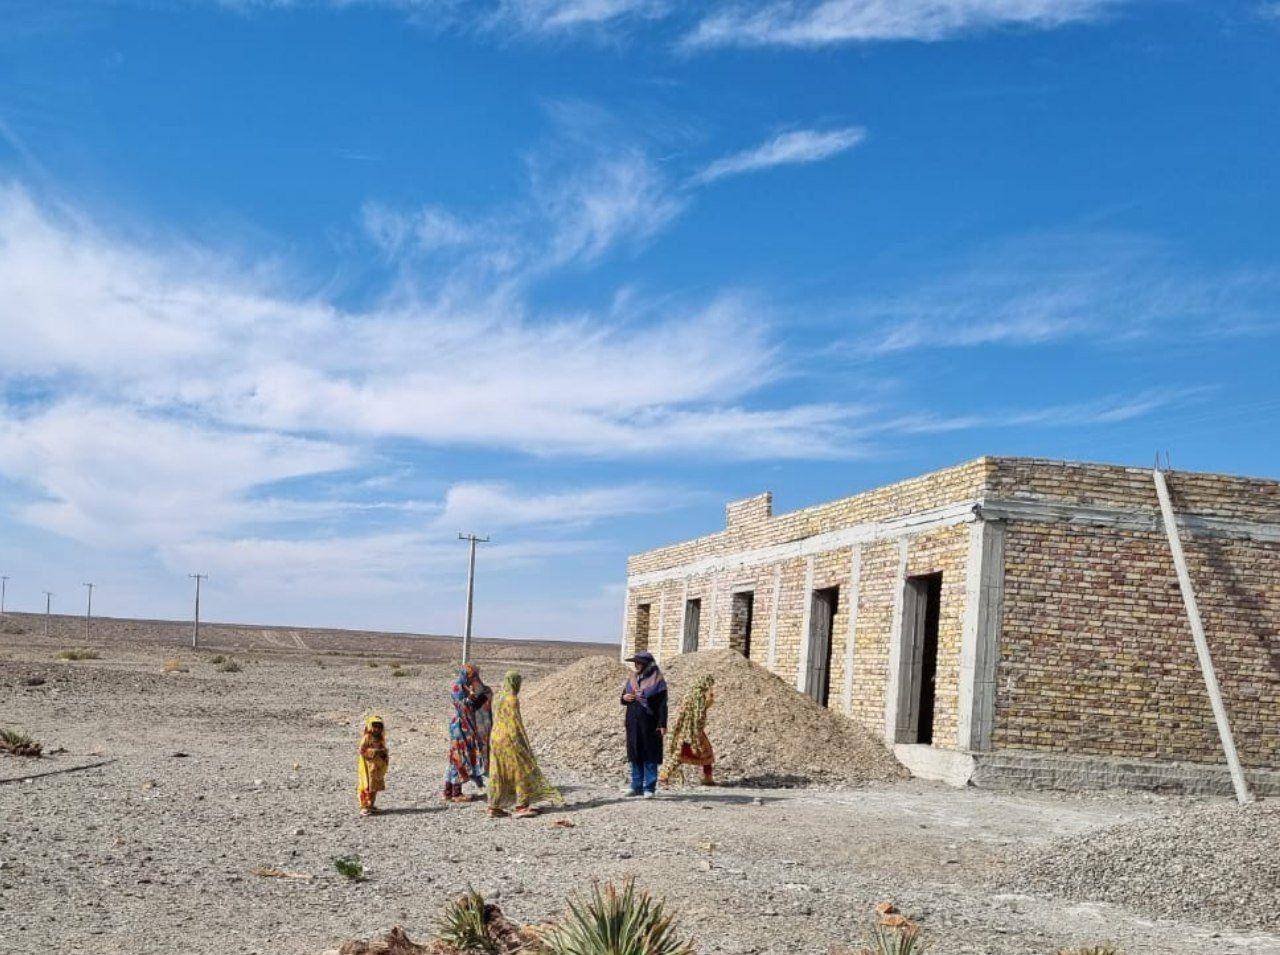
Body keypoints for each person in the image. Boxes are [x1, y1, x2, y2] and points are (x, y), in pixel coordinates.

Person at [487, 670, 562, 818]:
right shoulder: (512, 699)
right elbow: (515, 723)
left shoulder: (498, 696)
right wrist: (523, 743)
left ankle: (493, 807)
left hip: (495, 737)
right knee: (520, 770)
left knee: (498, 772)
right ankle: (521, 806)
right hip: (509, 739)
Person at [620, 650, 667, 798]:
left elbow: (662, 704)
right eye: (635, 662)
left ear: (647, 664)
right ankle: (636, 786)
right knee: (635, 753)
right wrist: (625, 697)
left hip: (650, 723)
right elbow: (623, 698)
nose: (636, 665)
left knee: (650, 754)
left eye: (639, 662)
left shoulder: (657, 680)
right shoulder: (632, 678)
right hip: (633, 722)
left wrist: (662, 724)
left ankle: (649, 788)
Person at [443, 663, 491, 802]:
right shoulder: (458, 687)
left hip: (464, 726)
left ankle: (448, 792)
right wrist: (471, 698)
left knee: (455, 759)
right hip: (460, 727)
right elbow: (461, 706)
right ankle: (456, 793)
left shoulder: (465, 686)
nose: (475, 678)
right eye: (473, 675)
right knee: (459, 758)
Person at [659, 675, 716, 787]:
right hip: (693, 730)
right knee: (701, 753)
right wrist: (697, 732)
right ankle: (664, 776)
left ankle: (707, 778)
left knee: (681, 753)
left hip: (683, 729)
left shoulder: (690, 694)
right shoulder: (699, 696)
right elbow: (698, 715)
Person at [357, 715, 389, 816]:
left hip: (376, 767)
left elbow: (384, 750)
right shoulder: (367, 738)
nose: (377, 729)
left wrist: (383, 753)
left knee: (374, 787)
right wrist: (374, 752)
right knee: (366, 786)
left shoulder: (380, 739)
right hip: (367, 767)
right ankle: (364, 806)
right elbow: (362, 750)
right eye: (375, 726)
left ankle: (371, 805)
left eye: (379, 727)